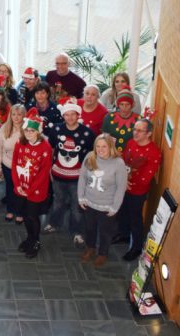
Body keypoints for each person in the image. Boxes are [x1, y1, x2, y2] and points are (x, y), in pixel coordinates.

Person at [43, 97, 95, 245]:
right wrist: (49, 170)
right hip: (58, 175)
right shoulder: (57, 129)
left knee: (76, 206)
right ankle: (54, 223)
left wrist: (88, 175)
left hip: (78, 178)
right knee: (58, 201)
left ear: (78, 115)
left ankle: (77, 231)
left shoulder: (88, 133)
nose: (70, 117)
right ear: (63, 115)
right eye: (67, 114)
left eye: (73, 114)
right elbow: (52, 149)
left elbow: (92, 154)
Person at [78, 134, 128, 267]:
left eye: (104, 146)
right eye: (98, 146)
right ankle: (90, 247)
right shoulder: (90, 156)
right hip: (89, 202)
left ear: (110, 147)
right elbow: (82, 177)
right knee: (90, 228)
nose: (100, 149)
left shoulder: (118, 163)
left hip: (106, 206)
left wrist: (115, 207)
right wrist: (81, 196)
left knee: (105, 232)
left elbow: (121, 187)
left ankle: (103, 253)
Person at [12, 109, 54, 259]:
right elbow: (15, 164)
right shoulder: (20, 143)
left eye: (32, 131)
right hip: (20, 188)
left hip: (35, 191)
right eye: (27, 130)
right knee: (24, 214)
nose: (29, 133)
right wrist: (17, 185)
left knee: (32, 216)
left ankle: (35, 241)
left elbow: (43, 174)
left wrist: (29, 190)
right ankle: (29, 238)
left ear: (38, 131)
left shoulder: (45, 148)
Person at [118, 118, 161, 261]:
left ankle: (136, 247)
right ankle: (123, 235)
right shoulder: (130, 143)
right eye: (134, 129)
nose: (135, 133)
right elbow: (124, 162)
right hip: (124, 186)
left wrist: (127, 182)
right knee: (122, 212)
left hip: (137, 192)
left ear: (148, 134)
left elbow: (146, 177)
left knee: (135, 218)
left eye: (139, 130)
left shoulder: (154, 153)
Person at [0, 104, 26, 223]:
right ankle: (10, 209)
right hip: (8, 165)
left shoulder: (29, 129)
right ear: (10, 115)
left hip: (23, 168)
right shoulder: (4, 129)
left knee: (22, 190)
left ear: (24, 115)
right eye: (13, 114)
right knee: (10, 188)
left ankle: (20, 211)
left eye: (19, 114)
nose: (16, 117)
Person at [101, 87, 139, 153]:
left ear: (132, 105)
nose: (124, 107)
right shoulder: (109, 117)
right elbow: (103, 137)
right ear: (117, 105)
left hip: (131, 154)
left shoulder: (139, 120)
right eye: (122, 104)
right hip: (111, 153)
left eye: (127, 104)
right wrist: (107, 139)